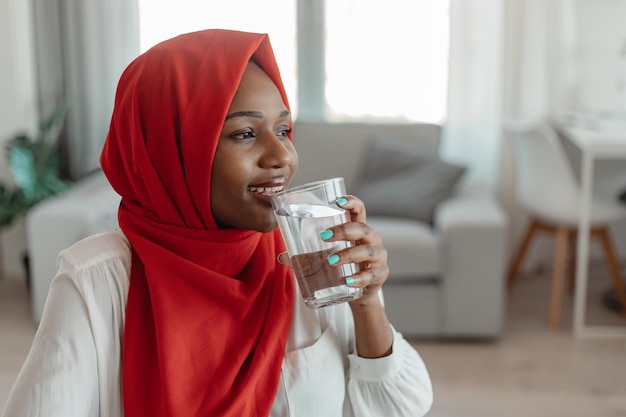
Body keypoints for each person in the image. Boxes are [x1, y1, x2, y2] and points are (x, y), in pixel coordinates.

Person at [1, 29, 432, 417]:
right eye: (244, 134)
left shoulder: (307, 256)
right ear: (174, 151)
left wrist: (365, 303)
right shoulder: (97, 279)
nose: (282, 156)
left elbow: (400, 409)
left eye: (283, 130)